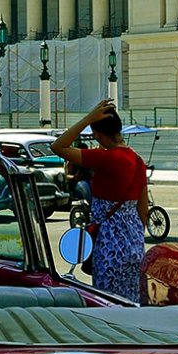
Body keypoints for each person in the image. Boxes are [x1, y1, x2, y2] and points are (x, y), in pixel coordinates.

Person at [54, 98, 149, 300]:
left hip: (109, 244)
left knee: (107, 303)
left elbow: (59, 146)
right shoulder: (138, 160)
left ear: (97, 135)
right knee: (131, 303)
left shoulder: (106, 158)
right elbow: (143, 210)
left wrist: (87, 119)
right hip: (134, 243)